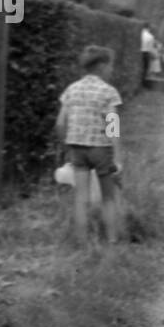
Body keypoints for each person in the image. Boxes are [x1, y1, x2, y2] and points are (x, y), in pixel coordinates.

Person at [56, 45, 123, 245]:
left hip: (77, 148)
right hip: (100, 149)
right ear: (101, 66)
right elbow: (113, 126)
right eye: (110, 66)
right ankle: (112, 240)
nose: (111, 70)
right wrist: (117, 159)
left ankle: (82, 241)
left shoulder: (71, 89)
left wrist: (67, 147)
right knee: (108, 197)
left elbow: (60, 123)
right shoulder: (108, 91)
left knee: (80, 197)